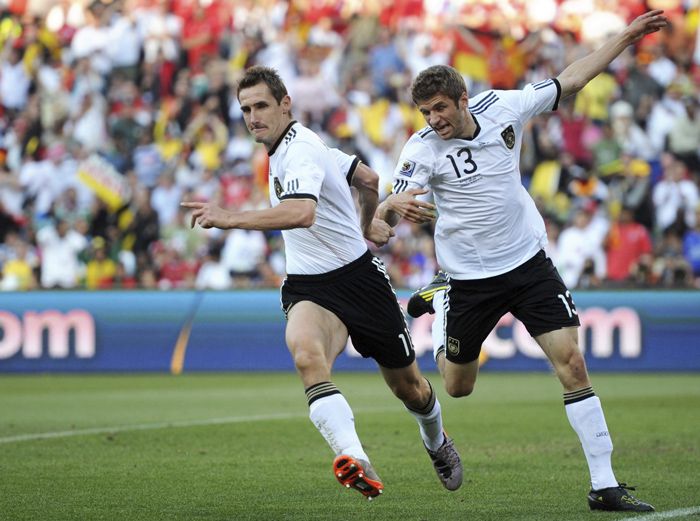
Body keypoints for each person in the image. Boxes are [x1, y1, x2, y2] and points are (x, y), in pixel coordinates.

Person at [377, 10, 668, 512]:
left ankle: (604, 484)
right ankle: (442, 302)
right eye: (425, 112)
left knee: (573, 363)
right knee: (457, 386)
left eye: (441, 108)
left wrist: (624, 36)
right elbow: (385, 211)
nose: (434, 120)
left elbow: (572, 78)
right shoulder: (421, 149)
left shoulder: (505, 106)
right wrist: (390, 208)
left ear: (463, 98)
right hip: (468, 279)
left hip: (529, 264)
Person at [181, 66, 462, 500]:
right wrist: (367, 225)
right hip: (309, 286)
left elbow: (301, 213)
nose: (253, 116)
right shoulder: (293, 147)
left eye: (261, 106)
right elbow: (367, 179)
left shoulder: (302, 150)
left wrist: (229, 216)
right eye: (246, 109)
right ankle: (356, 460)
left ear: (285, 104)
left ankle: (436, 440)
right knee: (307, 356)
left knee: (410, 388)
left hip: (359, 280)